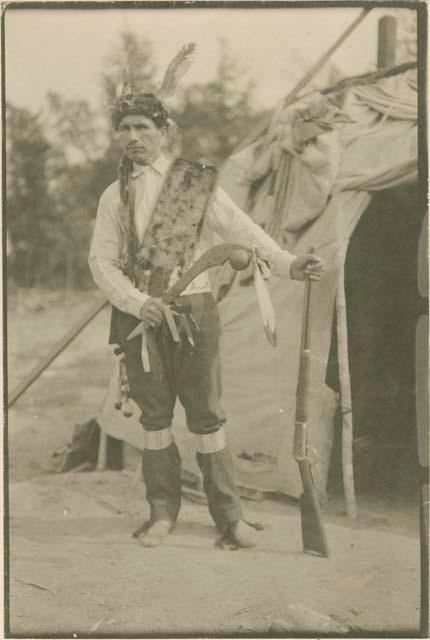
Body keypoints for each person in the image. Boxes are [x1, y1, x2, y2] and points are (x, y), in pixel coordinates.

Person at [89, 88, 324, 549]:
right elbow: (102, 263)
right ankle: (161, 512)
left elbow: (244, 232)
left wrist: (288, 264)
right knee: (155, 420)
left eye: (143, 127)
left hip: (195, 311)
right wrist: (138, 302)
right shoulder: (113, 195)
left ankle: (229, 517)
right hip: (142, 319)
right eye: (126, 128)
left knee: (207, 417)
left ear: (164, 131)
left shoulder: (193, 183)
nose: (133, 136)